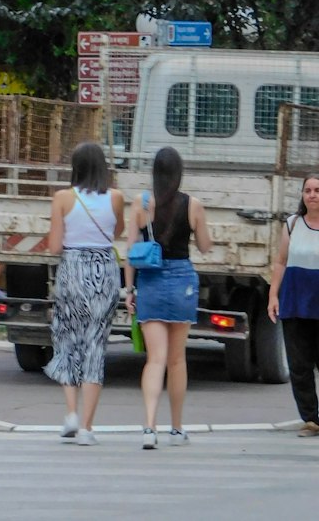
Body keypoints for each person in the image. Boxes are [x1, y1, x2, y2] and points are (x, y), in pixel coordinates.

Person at [124, 146, 212, 448]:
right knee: (176, 361)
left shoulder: (141, 202)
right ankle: (176, 429)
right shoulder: (193, 204)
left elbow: (130, 252)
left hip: (150, 280)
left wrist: (129, 290)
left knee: (155, 360)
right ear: (179, 172)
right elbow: (204, 245)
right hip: (182, 280)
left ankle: (149, 428)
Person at [45, 141, 125, 446]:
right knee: (95, 346)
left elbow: (54, 246)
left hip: (73, 270)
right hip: (104, 269)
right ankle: (88, 429)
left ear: (75, 167)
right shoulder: (115, 197)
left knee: (67, 341)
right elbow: (116, 233)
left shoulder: (63, 198)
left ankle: (70, 414)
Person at [268, 170, 319, 437]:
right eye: (308, 190)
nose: (312, 195)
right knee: (299, 364)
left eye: (317, 190)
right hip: (296, 300)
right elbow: (281, 261)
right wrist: (273, 294)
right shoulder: (292, 224)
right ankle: (311, 419)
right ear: (302, 194)